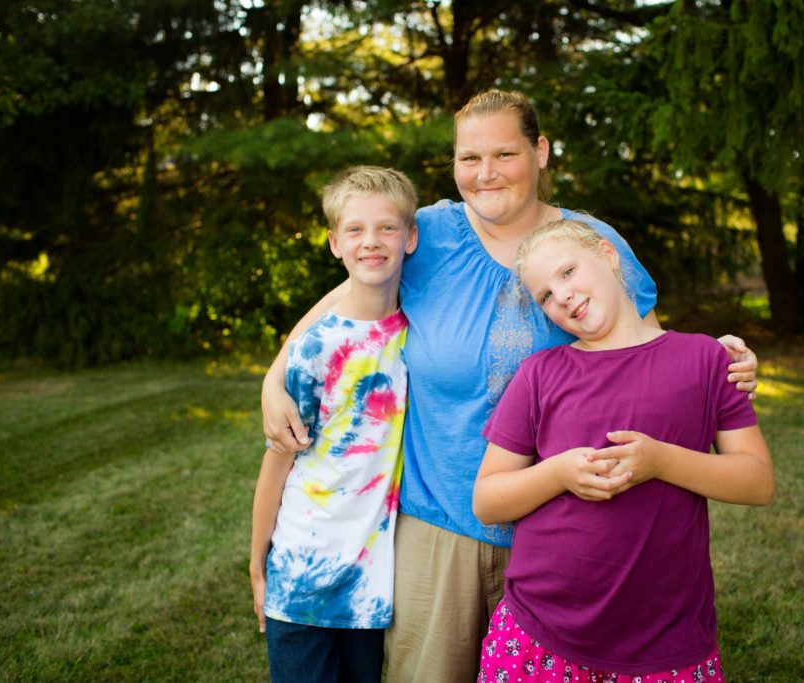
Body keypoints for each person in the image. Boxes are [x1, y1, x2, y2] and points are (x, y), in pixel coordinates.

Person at [261, 90, 760, 682]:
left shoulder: (586, 242)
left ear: (541, 151)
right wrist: (276, 376)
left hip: (567, 528)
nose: (485, 173)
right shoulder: (427, 235)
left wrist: (721, 362)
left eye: (504, 153)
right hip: (439, 519)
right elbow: (348, 299)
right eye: (469, 158)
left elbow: (641, 347)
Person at [472, 218, 774, 682]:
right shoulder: (539, 375)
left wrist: (661, 461)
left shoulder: (706, 360)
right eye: (546, 296)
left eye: (568, 272)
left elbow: (757, 482)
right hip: (539, 631)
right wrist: (557, 474)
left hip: (665, 638)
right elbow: (488, 501)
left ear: (608, 255)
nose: (563, 296)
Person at [249, 166, 418, 683]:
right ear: (334, 243)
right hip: (301, 575)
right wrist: (257, 567)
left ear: (411, 238)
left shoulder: (417, 334)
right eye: (355, 230)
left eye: (387, 228)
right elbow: (278, 461)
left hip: (370, 582)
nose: (372, 241)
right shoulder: (316, 348)